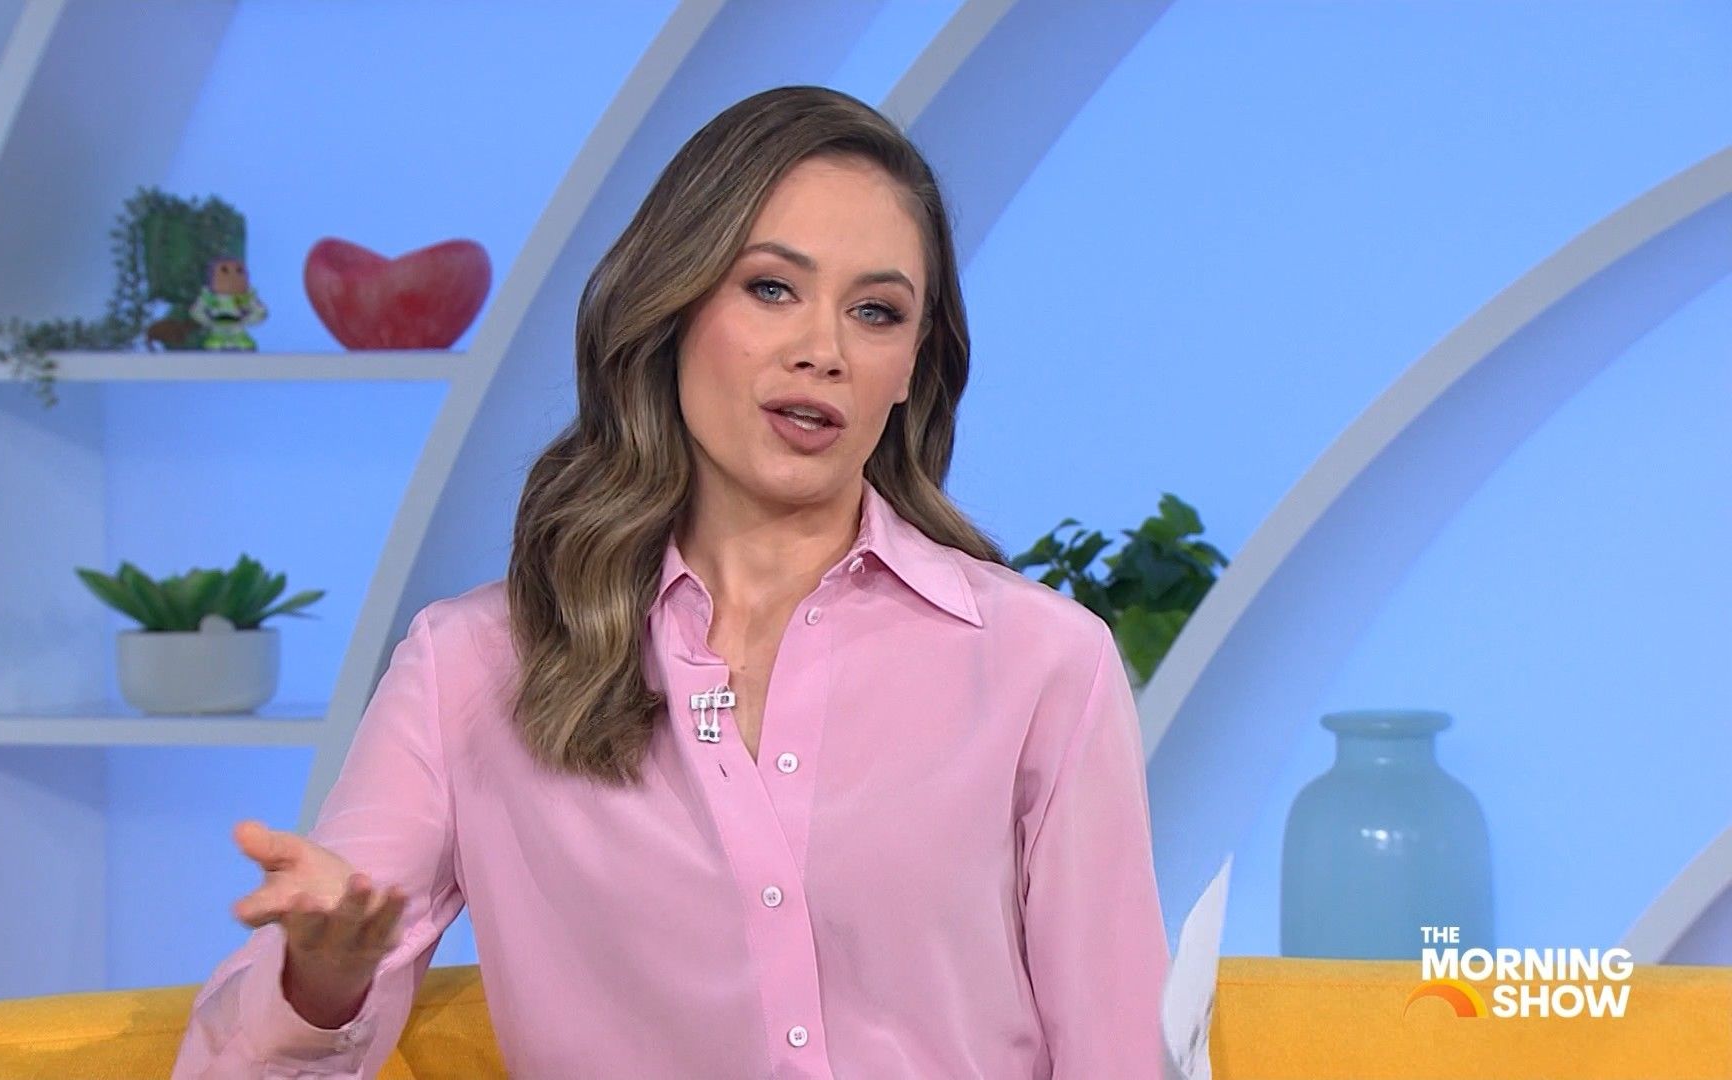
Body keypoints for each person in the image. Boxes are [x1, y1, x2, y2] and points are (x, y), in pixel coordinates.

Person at [172, 84, 1168, 1079]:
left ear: (911, 365)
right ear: (672, 308)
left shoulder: (1043, 664)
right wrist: (320, 985)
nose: (822, 351)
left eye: (876, 312)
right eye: (771, 289)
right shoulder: (469, 667)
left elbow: (1117, 1051)